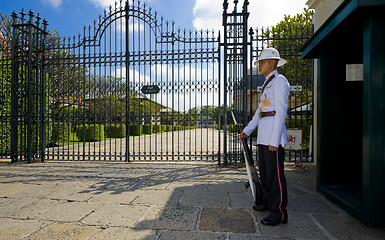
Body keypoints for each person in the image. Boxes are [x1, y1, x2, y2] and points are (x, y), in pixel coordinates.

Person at [240, 47, 289, 226]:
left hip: (272, 139)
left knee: (276, 176)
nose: (259, 65)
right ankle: (268, 203)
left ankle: (279, 213)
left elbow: (281, 112)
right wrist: (247, 130)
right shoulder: (267, 84)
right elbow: (260, 113)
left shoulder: (280, 81)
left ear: (271, 62)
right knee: (266, 175)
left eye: (261, 62)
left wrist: (275, 140)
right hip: (263, 137)